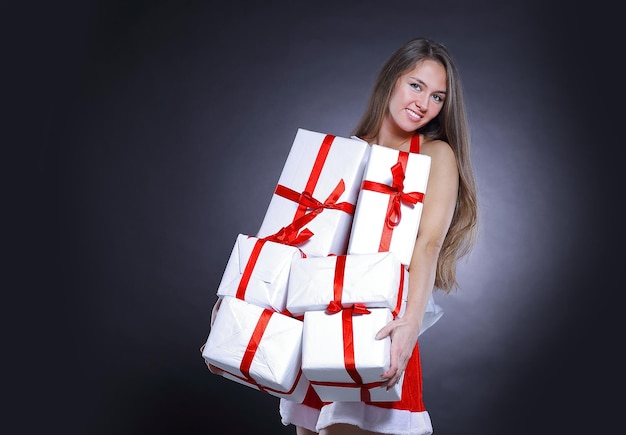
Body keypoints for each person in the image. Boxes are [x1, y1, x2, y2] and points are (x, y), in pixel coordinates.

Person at [278, 36, 479, 434]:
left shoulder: (436, 154)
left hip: (380, 324)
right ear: (391, 80)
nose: (424, 103)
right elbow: (301, 242)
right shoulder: (346, 152)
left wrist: (409, 324)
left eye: (438, 96)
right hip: (320, 320)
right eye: (416, 85)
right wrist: (247, 301)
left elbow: (427, 244)